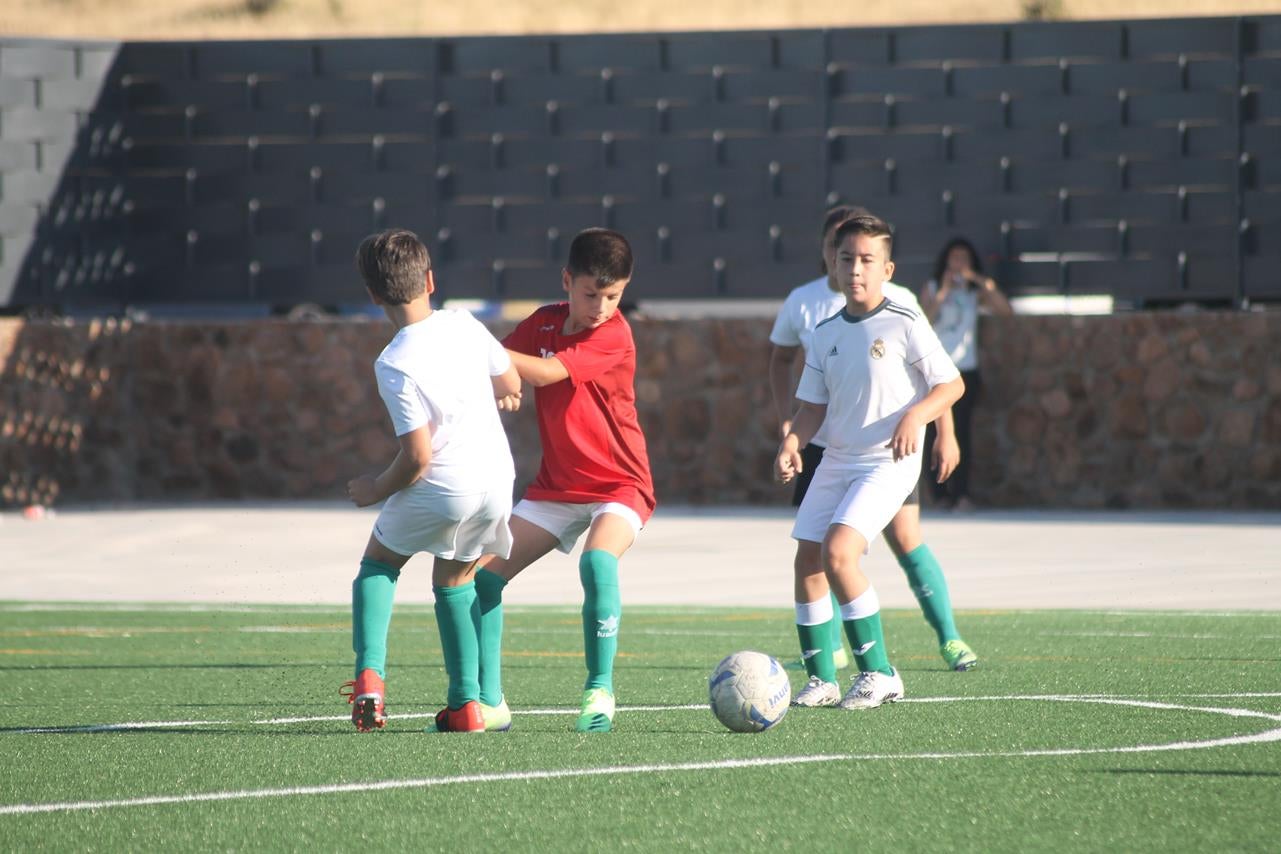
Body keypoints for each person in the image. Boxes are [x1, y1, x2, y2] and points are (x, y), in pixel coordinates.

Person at [770, 207, 980, 708]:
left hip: (888, 461)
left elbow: (952, 383)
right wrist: (792, 443)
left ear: (887, 269)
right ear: (834, 267)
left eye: (867, 260)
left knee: (840, 553)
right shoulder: (823, 332)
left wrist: (918, 418)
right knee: (807, 558)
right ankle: (822, 678)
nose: (856, 269)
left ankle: (880, 672)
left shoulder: (905, 321)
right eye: (847, 259)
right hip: (836, 459)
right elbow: (812, 408)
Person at [473, 227, 656, 733]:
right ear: (567, 281)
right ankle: (489, 703)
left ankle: (599, 689)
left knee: (598, 561)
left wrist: (493, 359)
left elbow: (544, 374)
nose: (600, 306)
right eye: (590, 294)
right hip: (556, 489)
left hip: (620, 485)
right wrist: (499, 378)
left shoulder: (614, 334)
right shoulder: (544, 324)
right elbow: (499, 370)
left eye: (613, 295)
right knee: (481, 580)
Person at [340, 228, 522, 734]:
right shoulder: (464, 323)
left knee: (379, 563)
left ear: (374, 295)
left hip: (445, 485)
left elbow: (417, 457)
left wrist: (376, 488)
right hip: (494, 482)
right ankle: (466, 706)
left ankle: (369, 679)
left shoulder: (393, 362)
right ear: (431, 281)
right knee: (454, 581)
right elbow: (509, 380)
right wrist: (506, 394)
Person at [919, 238, 1013, 511]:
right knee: (933, 434)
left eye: (964, 258)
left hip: (964, 370)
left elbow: (1004, 309)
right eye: (954, 258)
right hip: (935, 372)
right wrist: (944, 291)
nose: (958, 263)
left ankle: (961, 494)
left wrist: (978, 280)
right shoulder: (934, 288)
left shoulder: (974, 293)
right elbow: (923, 321)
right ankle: (938, 495)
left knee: (962, 434)